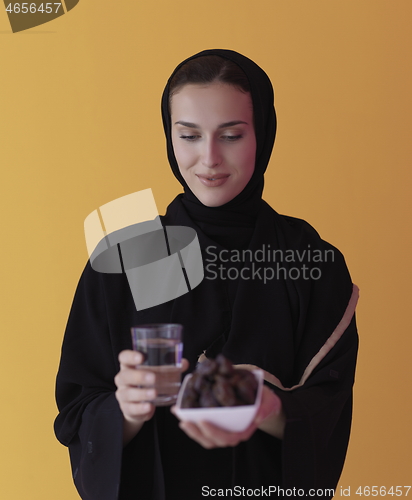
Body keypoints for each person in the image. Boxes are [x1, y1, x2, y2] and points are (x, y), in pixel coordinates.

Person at [54, 49, 359, 500]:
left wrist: (263, 406)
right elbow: (77, 413)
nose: (209, 158)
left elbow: (327, 411)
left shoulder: (311, 262)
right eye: (190, 136)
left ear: (264, 135)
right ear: (168, 137)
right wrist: (127, 408)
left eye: (231, 135)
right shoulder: (124, 257)